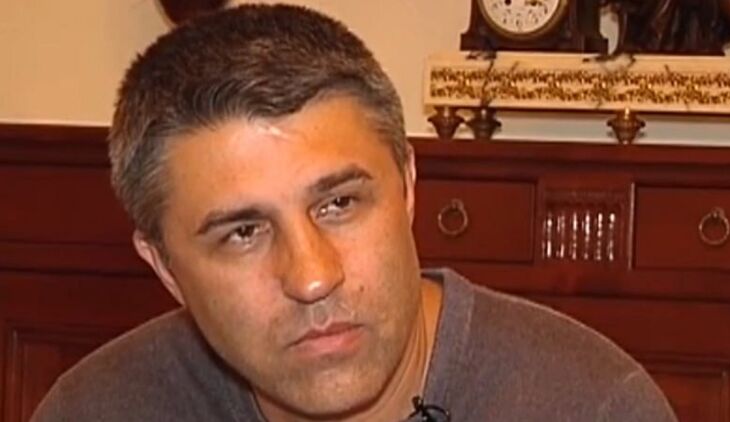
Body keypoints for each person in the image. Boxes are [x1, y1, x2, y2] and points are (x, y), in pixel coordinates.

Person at [32, 4, 676, 421]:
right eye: (244, 232)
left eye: (339, 203)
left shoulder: (591, 407)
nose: (313, 277)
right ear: (165, 266)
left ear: (408, 185)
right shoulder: (96, 410)